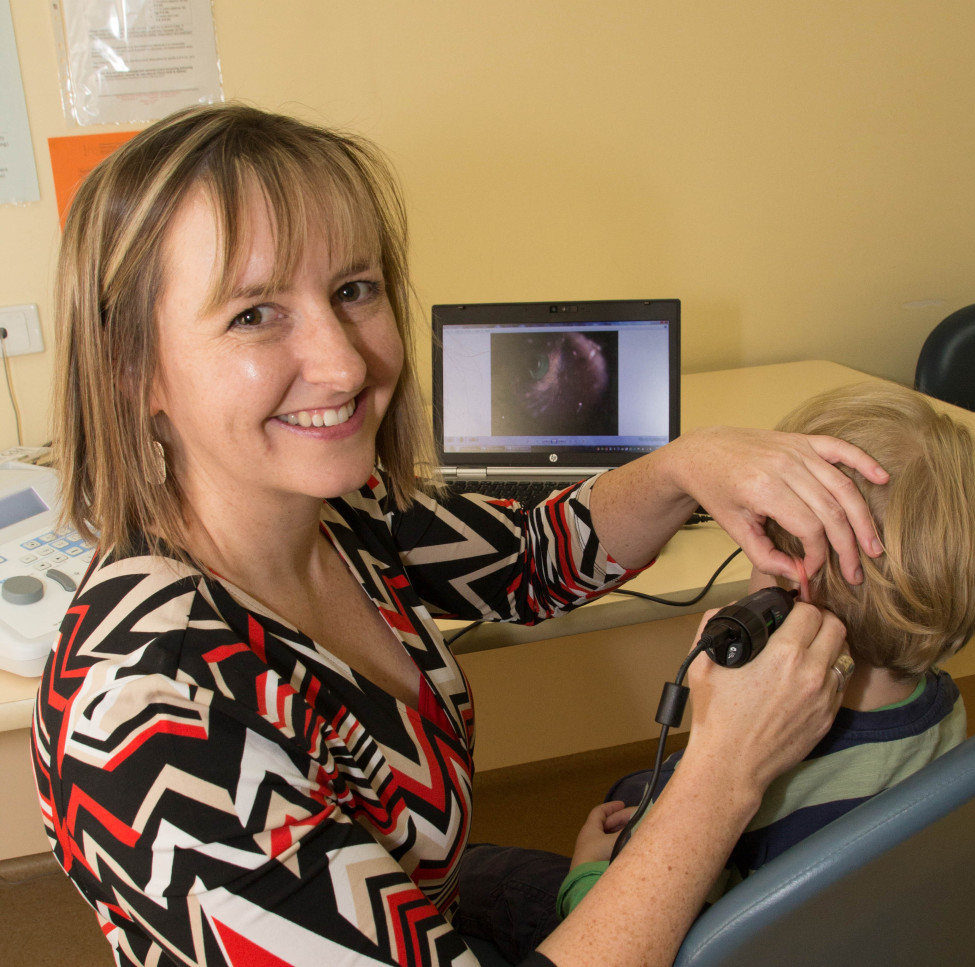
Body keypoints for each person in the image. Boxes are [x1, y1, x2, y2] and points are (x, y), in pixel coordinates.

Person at [31, 102, 887, 967]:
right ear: (131, 367)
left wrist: (684, 466)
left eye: (353, 291)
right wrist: (722, 776)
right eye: (255, 313)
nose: (345, 363)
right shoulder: (150, 724)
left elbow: (533, 559)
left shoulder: (339, 510)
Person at [560, 381, 975, 919]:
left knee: (492, 879)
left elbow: (631, 929)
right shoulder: (941, 704)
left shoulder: (751, 782)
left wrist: (587, 876)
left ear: (791, 587)